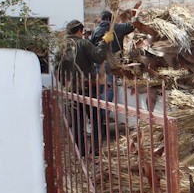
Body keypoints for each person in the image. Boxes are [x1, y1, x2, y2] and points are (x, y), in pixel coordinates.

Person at [55, 19, 111, 157]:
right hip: (87, 89)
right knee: (95, 119)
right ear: (79, 31)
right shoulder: (83, 43)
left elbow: (56, 69)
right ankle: (96, 149)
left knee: (77, 121)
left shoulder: (61, 47)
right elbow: (98, 57)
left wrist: (65, 84)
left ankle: (81, 151)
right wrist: (104, 42)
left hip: (71, 90)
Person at [90, 10, 135, 112]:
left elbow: (91, 44)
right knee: (109, 87)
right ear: (111, 19)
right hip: (111, 62)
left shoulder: (96, 30)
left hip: (98, 62)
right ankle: (103, 114)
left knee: (101, 85)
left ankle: (96, 111)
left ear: (101, 19)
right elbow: (132, 26)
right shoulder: (117, 27)